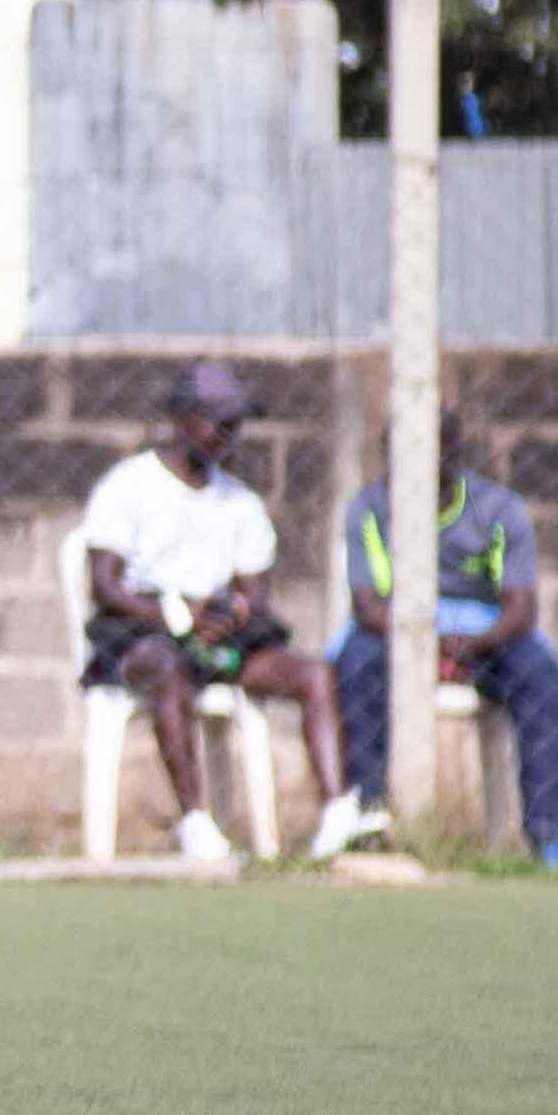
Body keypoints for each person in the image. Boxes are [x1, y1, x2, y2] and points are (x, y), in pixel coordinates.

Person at [76, 361, 366, 863]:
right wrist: (178, 616)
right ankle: (195, 822)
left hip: (219, 643)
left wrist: (231, 616)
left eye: (235, 424)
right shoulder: (128, 486)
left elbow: (255, 593)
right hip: (144, 636)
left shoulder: (241, 503)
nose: (228, 436)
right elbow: (105, 587)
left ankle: (337, 815)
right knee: (167, 667)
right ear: (182, 419)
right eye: (218, 422)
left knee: (315, 674)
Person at [333, 415, 558, 870]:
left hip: (483, 637)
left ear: (451, 453)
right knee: (356, 661)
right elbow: (368, 607)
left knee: (541, 674)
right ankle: (367, 815)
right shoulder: (368, 509)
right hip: (395, 632)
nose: (408, 466)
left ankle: (551, 838)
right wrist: (425, 646)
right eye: (397, 454)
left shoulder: (499, 509)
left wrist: (470, 645)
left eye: (423, 453)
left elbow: (521, 610)